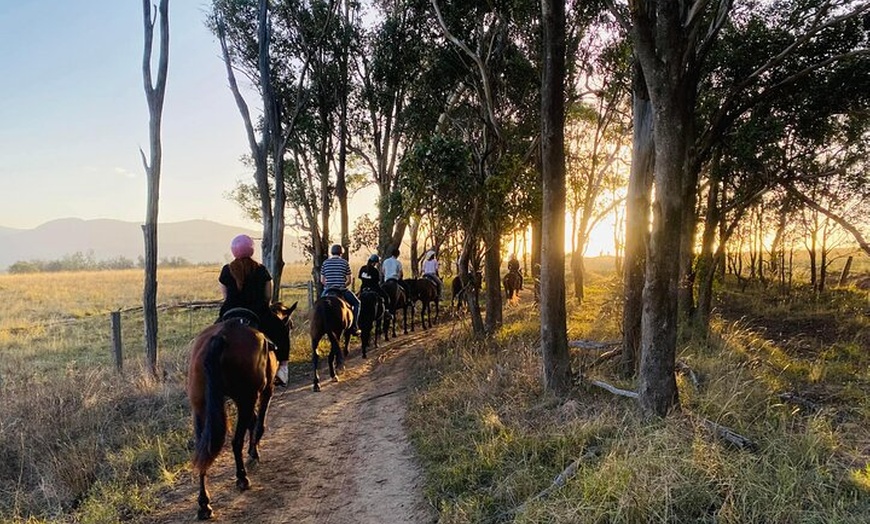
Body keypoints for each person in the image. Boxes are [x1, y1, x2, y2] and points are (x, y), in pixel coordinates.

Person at [218, 234, 292, 386]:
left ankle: (209, 373)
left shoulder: (226, 270)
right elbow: (268, 297)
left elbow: (225, 296)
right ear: (252, 249)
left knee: (210, 336)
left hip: (229, 314)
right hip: (257, 313)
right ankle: (282, 368)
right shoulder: (260, 270)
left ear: (233, 251)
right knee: (281, 331)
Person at [320, 244, 361, 336]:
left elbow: (322, 280)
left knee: (318, 305)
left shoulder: (325, 263)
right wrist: (342, 285)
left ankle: (319, 325)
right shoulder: (344, 263)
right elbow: (349, 280)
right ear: (341, 253)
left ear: (332, 252)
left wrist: (329, 286)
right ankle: (354, 326)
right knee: (357, 303)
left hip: (328, 290)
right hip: (341, 290)